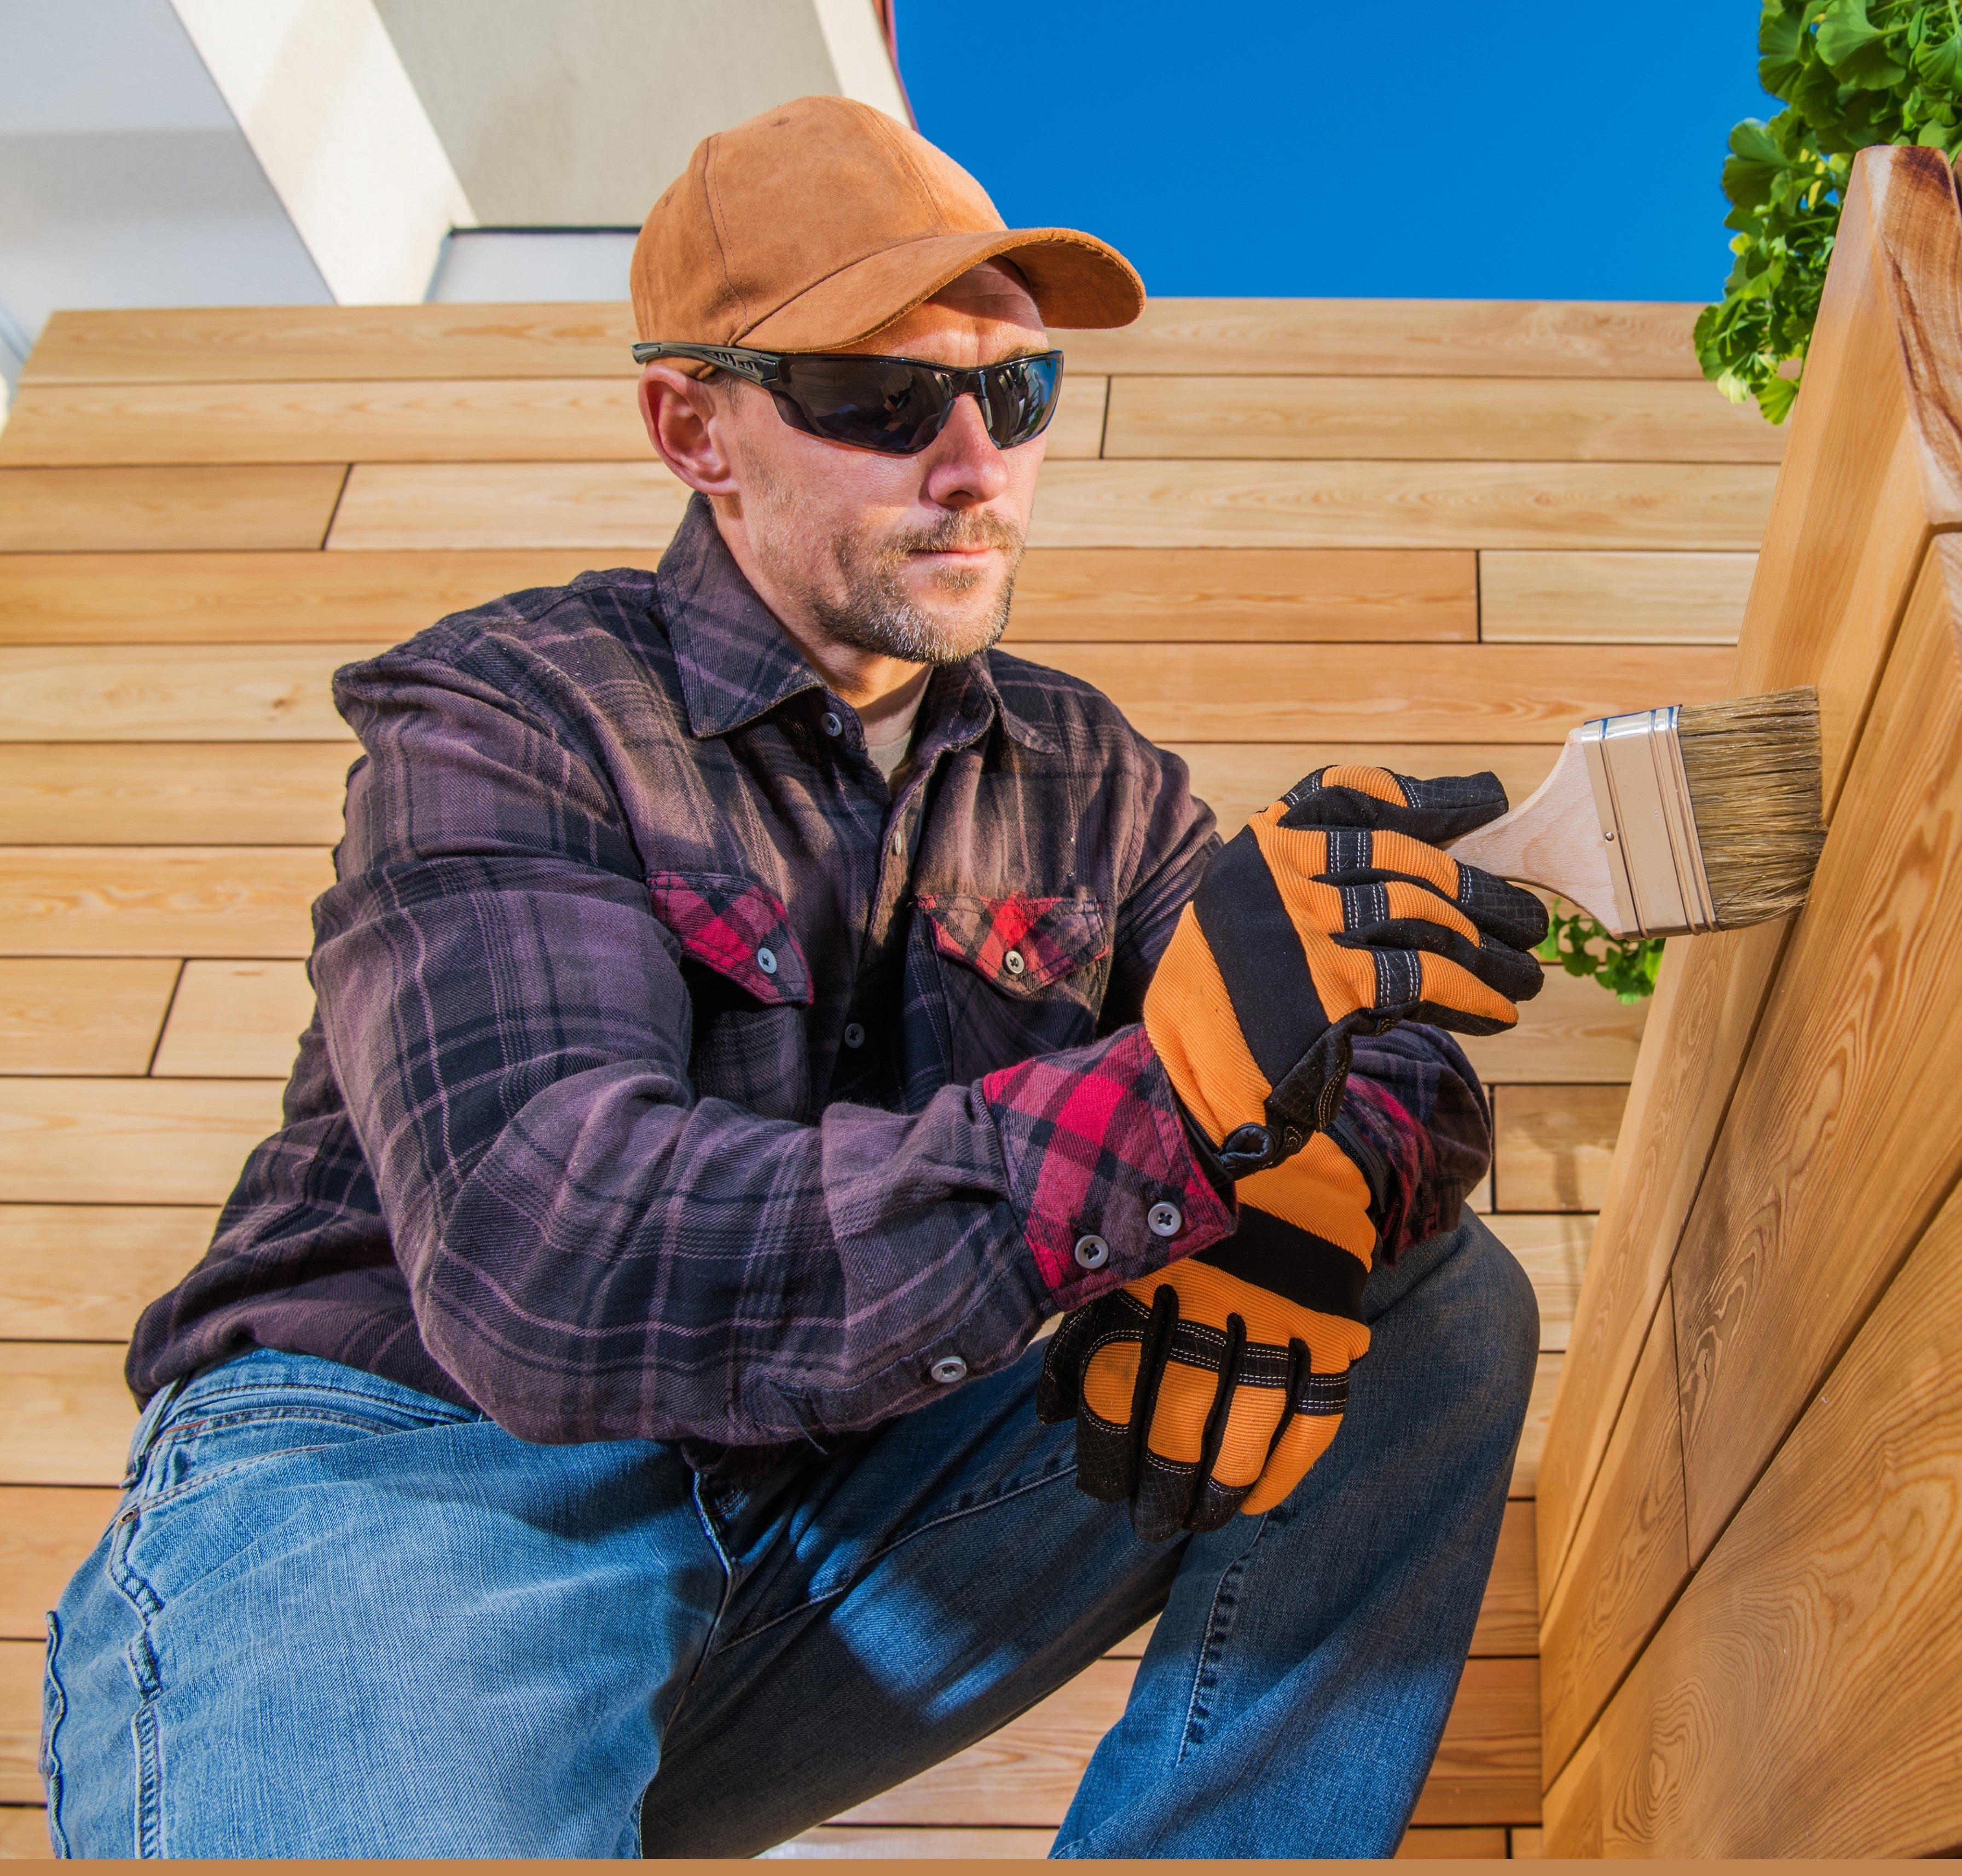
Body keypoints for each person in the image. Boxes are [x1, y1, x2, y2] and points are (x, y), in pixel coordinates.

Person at [41, 96, 1542, 1859]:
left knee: (1430, 1306)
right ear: (696, 426)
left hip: (824, 1523)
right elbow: (552, 1247)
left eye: (1019, 395)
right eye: (883, 400)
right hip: (414, 1470)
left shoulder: (1091, 777)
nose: (974, 462)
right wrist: (1172, 1104)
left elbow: (1373, 1068)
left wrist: (1311, 1179)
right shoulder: (516, 711)